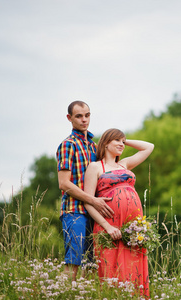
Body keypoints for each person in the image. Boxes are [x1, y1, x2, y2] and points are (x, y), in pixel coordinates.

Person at [83, 128, 154, 298]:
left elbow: (149, 147)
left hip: (133, 229)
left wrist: (123, 140)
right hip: (110, 227)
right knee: (112, 270)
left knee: (134, 267)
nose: (122, 144)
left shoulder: (125, 164)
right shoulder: (95, 167)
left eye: (123, 141)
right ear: (106, 143)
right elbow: (88, 201)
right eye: (117, 141)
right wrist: (107, 226)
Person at [56, 101, 114, 282]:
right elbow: (64, 184)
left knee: (92, 262)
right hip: (74, 211)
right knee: (73, 260)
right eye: (79, 116)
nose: (84, 120)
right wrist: (93, 199)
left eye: (87, 115)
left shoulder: (93, 146)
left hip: (94, 212)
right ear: (69, 118)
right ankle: (62, 294)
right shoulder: (68, 145)